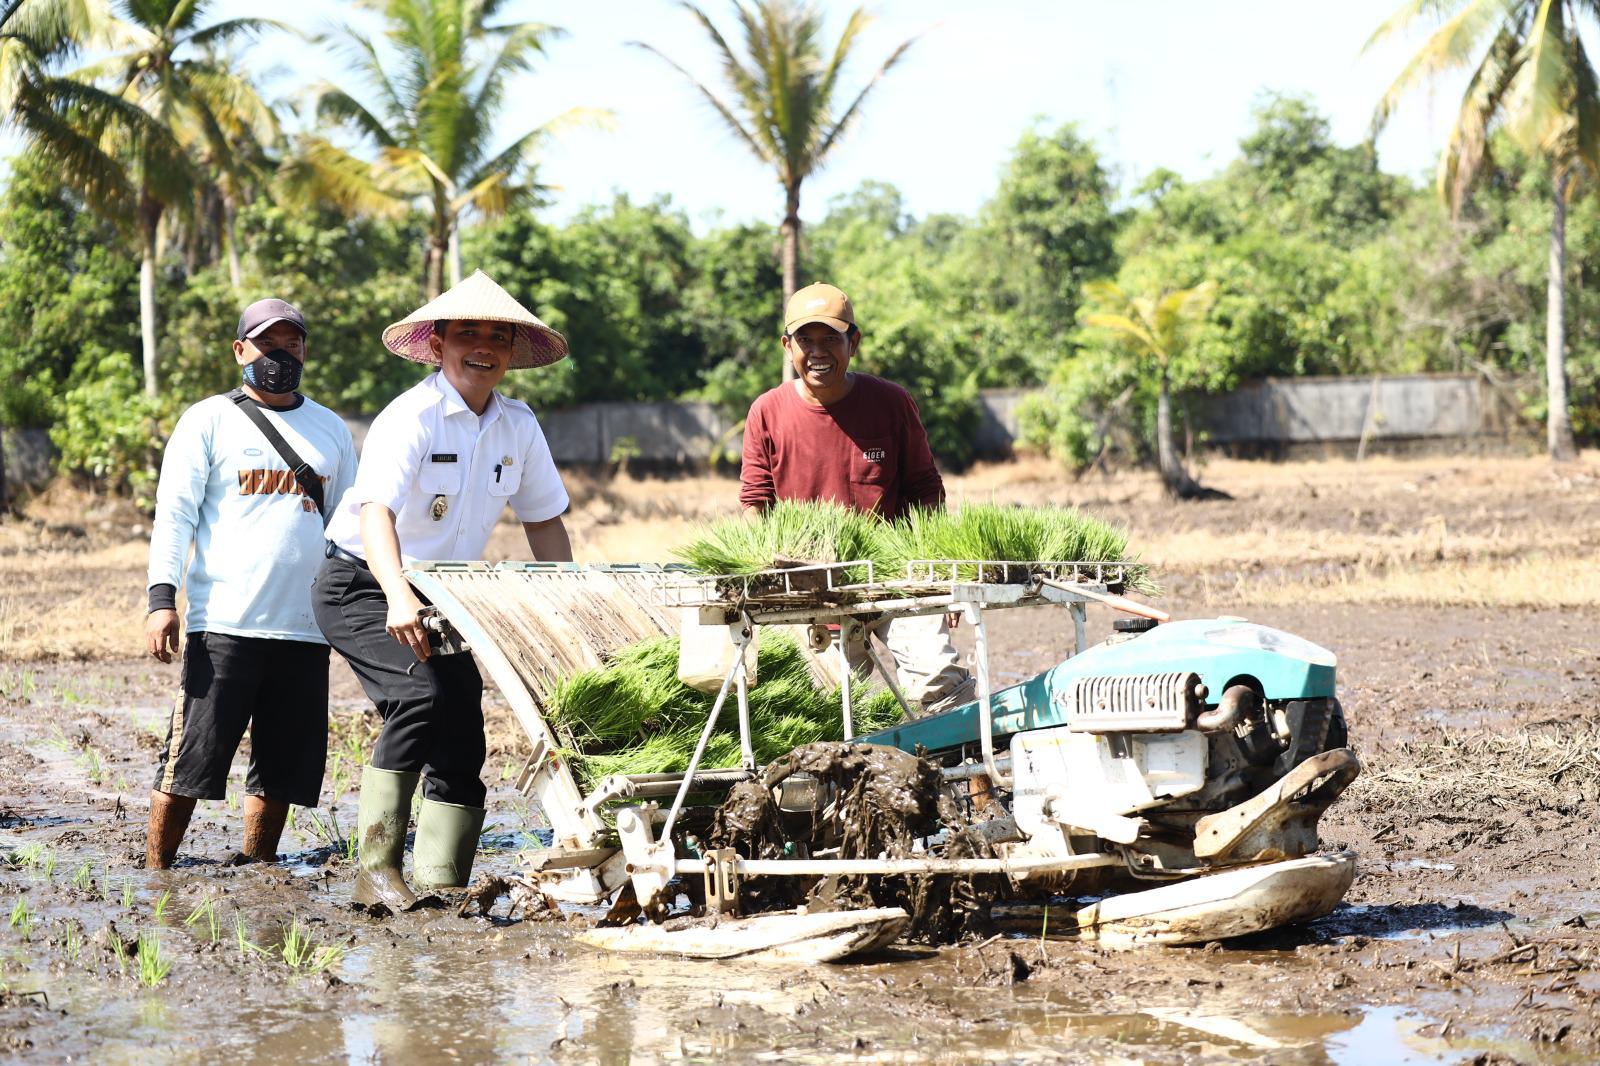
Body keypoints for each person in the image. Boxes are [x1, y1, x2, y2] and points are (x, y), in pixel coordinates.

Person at [313, 270, 572, 911]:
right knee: (419, 697)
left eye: (498, 337)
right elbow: (375, 512)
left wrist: (564, 600)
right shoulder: (413, 416)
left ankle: (441, 879)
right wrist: (398, 595)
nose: (483, 348)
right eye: (467, 334)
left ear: (512, 352)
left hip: (442, 597)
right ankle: (375, 871)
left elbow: (543, 520)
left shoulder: (518, 426)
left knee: (461, 725)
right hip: (363, 583)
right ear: (437, 344)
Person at [145, 298, 358, 868]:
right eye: (267, 344)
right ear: (241, 350)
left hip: (305, 629)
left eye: (292, 344)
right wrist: (162, 600)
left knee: (280, 768)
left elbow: (350, 526)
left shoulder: (331, 428)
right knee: (189, 762)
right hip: (224, 625)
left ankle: (259, 868)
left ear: (305, 351)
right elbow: (175, 516)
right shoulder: (208, 420)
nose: (280, 355)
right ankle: (157, 872)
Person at [739, 282, 975, 715]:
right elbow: (756, 503)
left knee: (940, 680)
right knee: (828, 708)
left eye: (831, 339)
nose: (818, 352)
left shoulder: (891, 403)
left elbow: (925, 492)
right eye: (806, 340)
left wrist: (940, 580)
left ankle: (950, 753)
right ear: (787, 346)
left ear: (854, 341)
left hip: (894, 579)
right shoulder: (767, 412)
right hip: (810, 589)